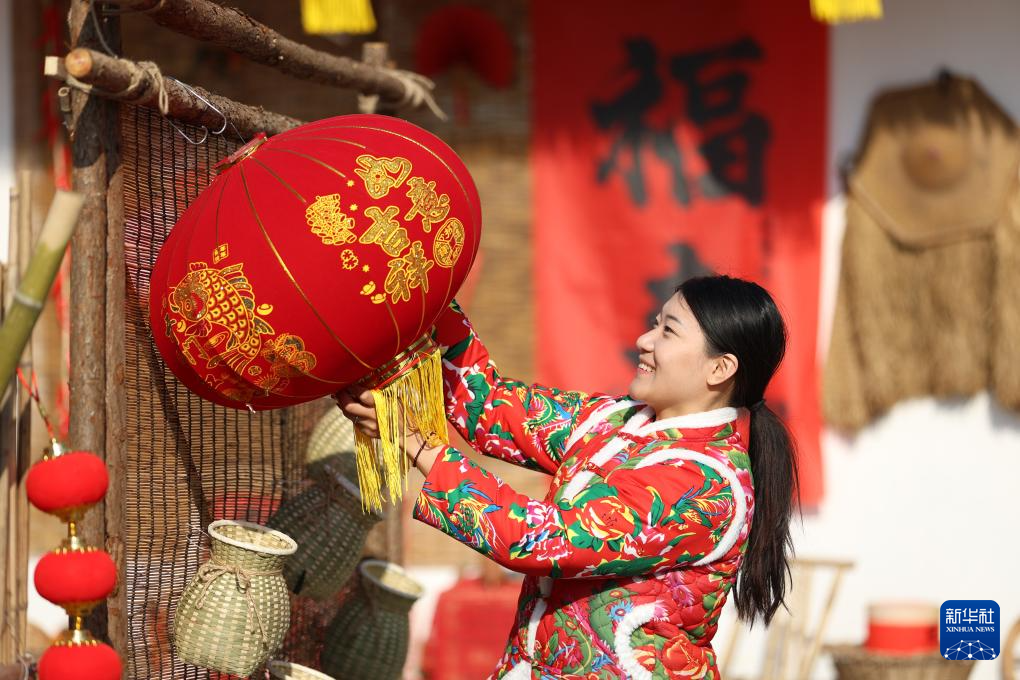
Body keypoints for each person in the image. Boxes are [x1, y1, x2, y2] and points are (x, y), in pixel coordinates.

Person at [336, 275, 798, 680]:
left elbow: (540, 539)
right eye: (655, 323)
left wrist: (416, 444)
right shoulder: (611, 421)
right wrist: (428, 299)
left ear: (720, 368)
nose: (644, 340)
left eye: (668, 331)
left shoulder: (706, 485)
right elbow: (488, 406)